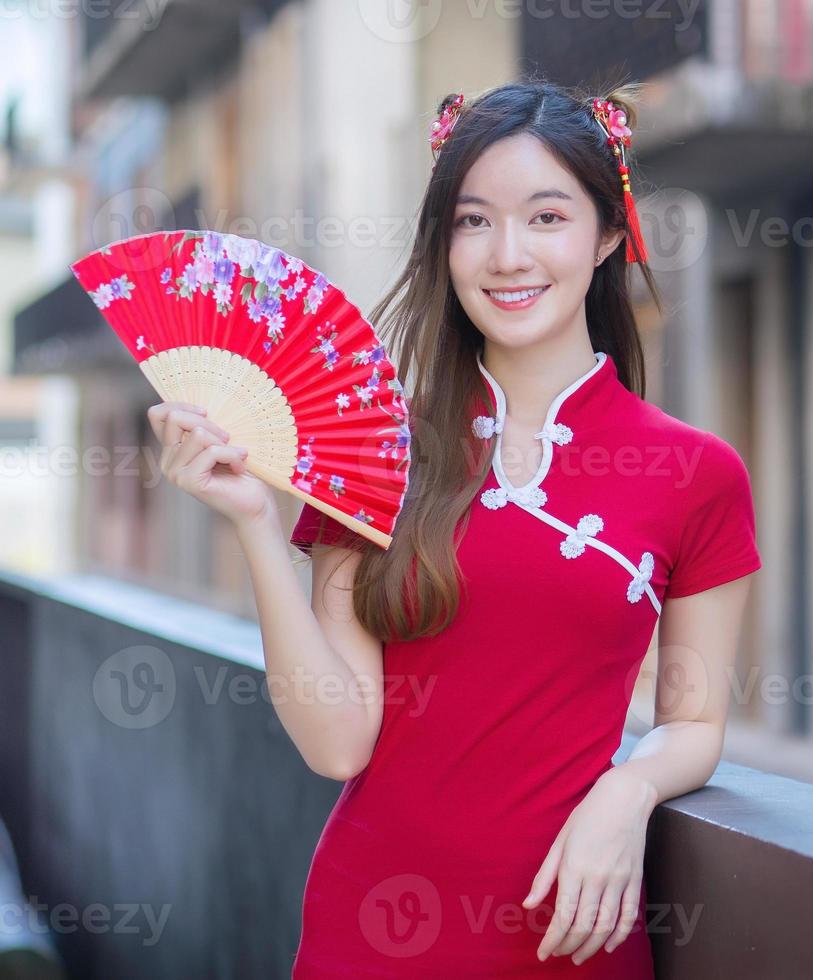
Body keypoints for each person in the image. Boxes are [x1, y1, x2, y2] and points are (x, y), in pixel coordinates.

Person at [144, 78, 761, 977]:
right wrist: (250, 523)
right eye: (474, 221)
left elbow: (695, 721)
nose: (507, 254)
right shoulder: (375, 448)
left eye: (546, 217)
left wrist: (627, 793)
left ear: (609, 237)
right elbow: (336, 742)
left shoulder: (696, 475)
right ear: (444, 244)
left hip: (569, 938)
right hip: (371, 930)